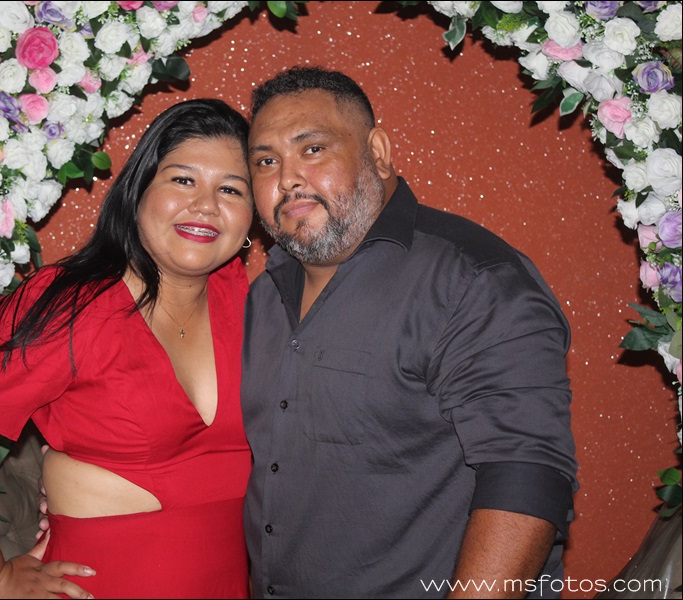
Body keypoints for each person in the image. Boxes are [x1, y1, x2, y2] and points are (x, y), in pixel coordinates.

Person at [240, 67, 578, 598]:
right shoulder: (263, 296)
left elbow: (526, 475)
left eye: (312, 150)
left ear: (377, 152)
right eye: (266, 161)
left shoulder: (472, 279)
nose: (287, 179)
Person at [0, 98, 256, 599]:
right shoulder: (70, 306)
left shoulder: (251, 302)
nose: (205, 205)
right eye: (182, 180)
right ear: (138, 191)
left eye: (231, 189)